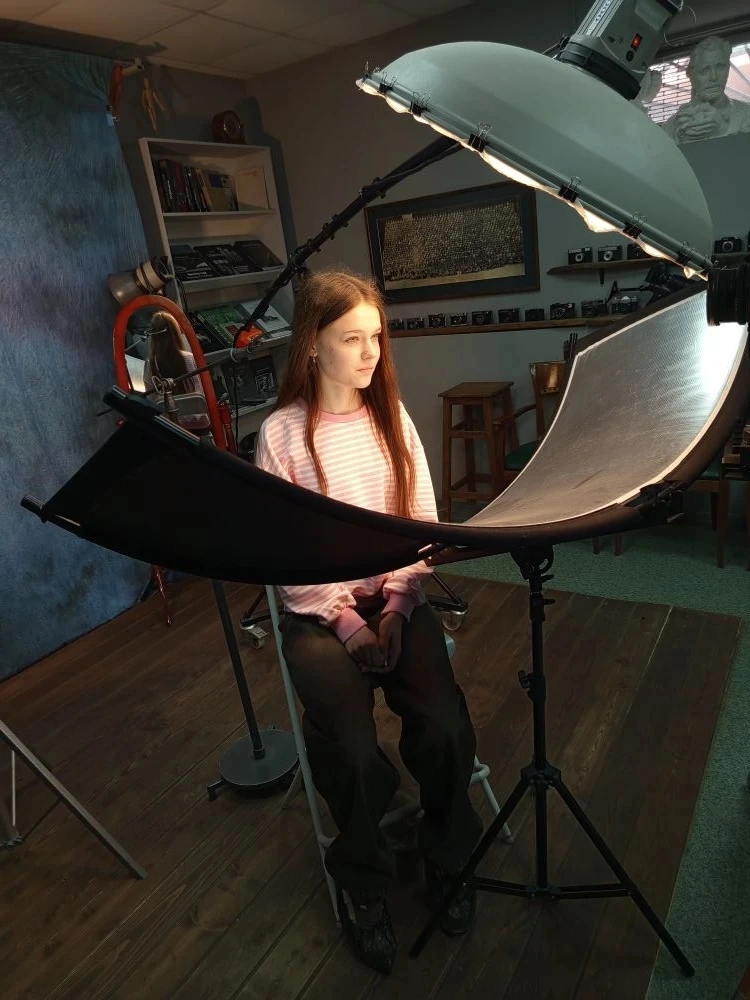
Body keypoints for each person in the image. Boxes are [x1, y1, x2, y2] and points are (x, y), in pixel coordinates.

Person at [255, 269, 483, 974]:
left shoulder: (392, 419)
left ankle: (448, 851)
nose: (370, 354)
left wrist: (400, 607)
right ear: (311, 344)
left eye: (376, 338)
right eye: (351, 338)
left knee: (445, 725)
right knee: (350, 750)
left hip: (396, 597)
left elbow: (421, 526)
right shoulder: (281, 434)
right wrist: (349, 624)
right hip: (317, 612)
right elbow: (286, 556)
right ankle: (363, 881)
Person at [662, 36, 750, 144]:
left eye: (720, 67)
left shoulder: (747, 115)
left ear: (727, 69)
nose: (714, 77)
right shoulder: (671, 128)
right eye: (705, 70)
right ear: (691, 75)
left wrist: (723, 129)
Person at [142, 310, 212, 435]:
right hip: (199, 423)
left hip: (170, 426)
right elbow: (200, 392)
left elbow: (151, 399)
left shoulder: (150, 364)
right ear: (175, 332)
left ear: (153, 335)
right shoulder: (189, 358)